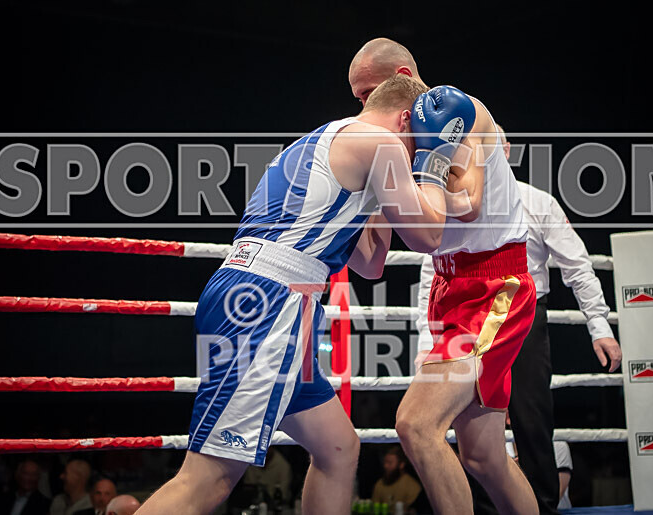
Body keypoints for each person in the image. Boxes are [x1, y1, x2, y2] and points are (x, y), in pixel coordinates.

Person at [137, 74, 477, 515]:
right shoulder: (384, 144)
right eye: (416, 139)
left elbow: (371, 264)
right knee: (210, 478)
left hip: (259, 297)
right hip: (268, 306)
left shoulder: (321, 142)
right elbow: (430, 236)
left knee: (338, 449)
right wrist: (431, 159)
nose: (412, 150)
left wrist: (384, 198)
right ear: (407, 120)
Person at [350, 38, 538, 514]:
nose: (364, 105)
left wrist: (420, 172)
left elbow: (469, 205)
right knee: (483, 455)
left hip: (495, 287)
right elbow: (373, 263)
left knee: (416, 423)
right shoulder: (383, 139)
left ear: (405, 77)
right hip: (447, 286)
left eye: (371, 90)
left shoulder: (460, 112)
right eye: (357, 97)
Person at [417, 126, 622, 513]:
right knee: (470, 424)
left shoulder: (537, 202)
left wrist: (599, 326)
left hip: (524, 317)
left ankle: (544, 506)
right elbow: (433, 272)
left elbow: (577, 266)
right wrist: (426, 342)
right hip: (463, 316)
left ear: (505, 151)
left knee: (531, 416)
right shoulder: (449, 202)